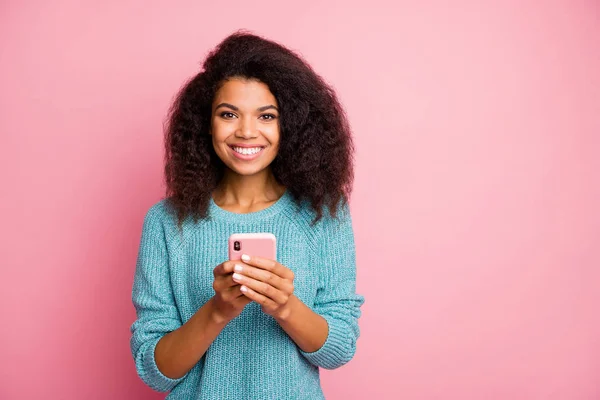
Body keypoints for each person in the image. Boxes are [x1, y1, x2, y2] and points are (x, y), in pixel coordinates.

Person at [130, 30, 365, 399]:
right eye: (228, 114)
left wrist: (284, 306)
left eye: (266, 115)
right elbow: (155, 372)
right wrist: (219, 309)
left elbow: (340, 349)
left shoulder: (323, 214)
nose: (246, 132)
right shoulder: (166, 222)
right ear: (206, 123)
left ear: (291, 125)